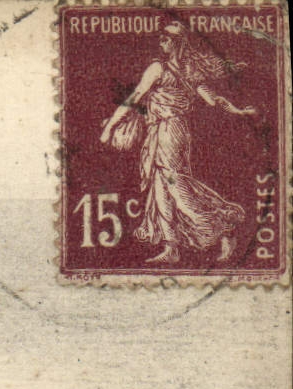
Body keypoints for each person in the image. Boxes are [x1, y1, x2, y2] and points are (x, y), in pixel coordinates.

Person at [99, 23, 258, 263]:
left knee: (175, 185)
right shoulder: (189, 70)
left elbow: (135, 97)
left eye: (166, 39)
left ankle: (223, 227)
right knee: (161, 185)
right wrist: (238, 110)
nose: (161, 42)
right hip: (170, 131)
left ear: (177, 42)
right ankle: (171, 246)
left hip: (168, 131)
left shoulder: (158, 68)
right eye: (161, 38)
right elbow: (213, 100)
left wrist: (110, 127)